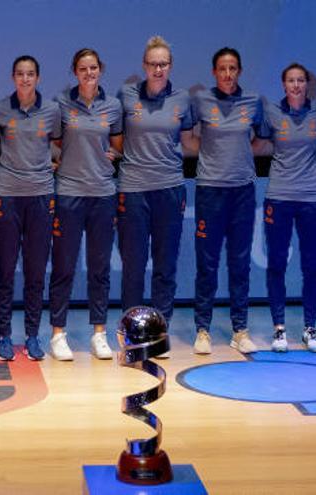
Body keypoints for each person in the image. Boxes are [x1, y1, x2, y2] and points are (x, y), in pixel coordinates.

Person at [116, 36, 197, 347]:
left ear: (170, 66)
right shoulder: (125, 96)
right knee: (134, 266)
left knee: (165, 265)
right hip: (133, 191)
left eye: (163, 64)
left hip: (170, 190)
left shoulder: (182, 100)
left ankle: (160, 331)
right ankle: (132, 330)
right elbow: (114, 138)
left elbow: (189, 143)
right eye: (153, 64)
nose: (158, 68)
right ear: (144, 66)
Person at [49, 48, 123, 361]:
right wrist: (60, 158)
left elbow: (117, 144)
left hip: (103, 195)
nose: (89, 73)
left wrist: (113, 155)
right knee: (64, 266)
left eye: (93, 68)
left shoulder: (114, 106)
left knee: (99, 268)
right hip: (69, 193)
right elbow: (53, 140)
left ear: (100, 70)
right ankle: (58, 334)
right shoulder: (61, 104)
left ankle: (98, 333)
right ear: (75, 72)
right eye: (83, 68)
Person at [191, 47, 263, 355]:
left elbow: (260, 140)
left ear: (240, 71)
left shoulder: (253, 103)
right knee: (207, 264)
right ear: (214, 72)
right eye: (222, 68)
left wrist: (240, 160)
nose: (228, 74)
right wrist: (212, 159)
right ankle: (203, 330)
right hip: (210, 191)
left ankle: (239, 329)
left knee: (240, 262)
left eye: (233, 68)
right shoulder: (201, 102)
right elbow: (189, 139)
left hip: (243, 192)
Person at [0, 55, 61, 362]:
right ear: (12, 77)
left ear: (38, 78)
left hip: (41, 197)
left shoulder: (52, 111)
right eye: (20, 74)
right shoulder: (0, 109)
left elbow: (58, 144)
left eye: (31, 74)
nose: (25, 79)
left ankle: (32, 335)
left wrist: (46, 165)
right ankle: (4, 336)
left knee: (35, 272)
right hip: (7, 196)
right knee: (4, 270)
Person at [254, 62, 316, 353]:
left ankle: (309, 327)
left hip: (311, 199)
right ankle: (279, 329)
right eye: (291, 80)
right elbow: (258, 143)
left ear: (307, 85)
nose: (296, 85)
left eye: (301, 81)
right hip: (279, 197)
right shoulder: (272, 113)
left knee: (312, 265)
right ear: (283, 85)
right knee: (277, 263)